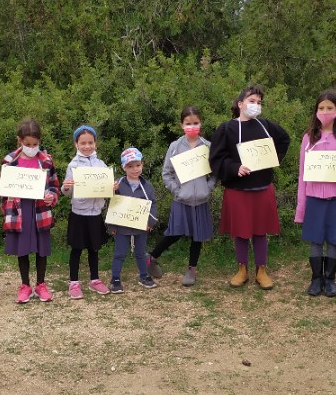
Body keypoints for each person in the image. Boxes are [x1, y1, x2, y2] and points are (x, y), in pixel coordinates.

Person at [209, 84, 290, 290]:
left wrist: (272, 159)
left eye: (259, 102)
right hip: (238, 190)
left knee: (261, 231)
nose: (255, 105)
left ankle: (261, 270)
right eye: (251, 101)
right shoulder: (226, 128)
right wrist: (234, 167)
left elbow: (284, 139)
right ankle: (242, 269)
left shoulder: (266, 126)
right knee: (241, 232)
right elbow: (216, 158)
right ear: (240, 104)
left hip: (262, 187)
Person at [295, 90, 336, 297]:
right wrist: (301, 207)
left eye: (329, 108)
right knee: (315, 240)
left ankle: (330, 279)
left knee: (333, 240)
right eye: (321, 108)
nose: (325, 112)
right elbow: (302, 175)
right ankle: (316, 279)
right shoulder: (308, 139)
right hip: (314, 199)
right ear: (315, 112)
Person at [146, 107, 217, 286]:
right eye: (188, 123)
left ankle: (192, 270)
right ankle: (151, 258)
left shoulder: (207, 147)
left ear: (201, 123)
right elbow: (166, 173)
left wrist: (208, 188)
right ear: (181, 125)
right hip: (181, 200)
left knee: (197, 236)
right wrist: (177, 191)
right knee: (174, 233)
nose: (192, 126)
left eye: (195, 123)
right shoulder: (175, 147)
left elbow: (216, 173)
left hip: (201, 200)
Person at [1, 119, 60, 304]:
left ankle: (41, 285)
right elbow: (4, 191)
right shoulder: (9, 161)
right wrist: (6, 210)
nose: (32, 147)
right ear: (19, 140)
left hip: (40, 210)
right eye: (27, 144)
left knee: (42, 249)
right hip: (19, 211)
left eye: (35, 144)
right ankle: (25, 286)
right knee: (22, 250)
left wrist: (51, 196)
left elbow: (54, 186)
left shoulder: (46, 160)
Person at [60, 125, 111, 299]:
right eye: (83, 143)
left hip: (95, 213)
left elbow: (106, 187)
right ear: (76, 144)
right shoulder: (73, 165)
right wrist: (66, 187)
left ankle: (94, 280)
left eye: (90, 142)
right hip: (79, 214)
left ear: (95, 143)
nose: (87, 146)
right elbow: (66, 191)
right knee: (76, 248)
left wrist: (112, 187)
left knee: (94, 248)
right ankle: (73, 282)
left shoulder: (101, 164)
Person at [109, 147, 159, 293]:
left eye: (137, 165)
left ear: (142, 164)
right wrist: (112, 226)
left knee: (141, 252)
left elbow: (153, 204)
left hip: (141, 226)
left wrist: (150, 222)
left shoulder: (147, 186)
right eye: (130, 166)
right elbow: (111, 203)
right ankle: (115, 279)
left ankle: (144, 276)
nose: (134, 169)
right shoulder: (117, 184)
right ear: (123, 167)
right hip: (121, 227)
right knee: (120, 253)